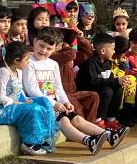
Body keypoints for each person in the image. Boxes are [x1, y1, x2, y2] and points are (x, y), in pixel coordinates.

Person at [24, 27, 126, 155]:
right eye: (41, 46)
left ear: (56, 48)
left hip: (54, 102)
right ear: (34, 42)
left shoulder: (53, 64)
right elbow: (31, 89)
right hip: (39, 102)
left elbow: (58, 87)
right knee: (64, 121)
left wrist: (65, 102)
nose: (44, 50)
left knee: (77, 119)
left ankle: (110, 135)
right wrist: (54, 103)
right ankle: (88, 141)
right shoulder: (29, 62)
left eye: (49, 48)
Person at [0, 41, 58, 156]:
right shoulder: (3, 72)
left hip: (16, 104)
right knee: (33, 109)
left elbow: (19, 90)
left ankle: (45, 138)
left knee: (44, 101)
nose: (29, 62)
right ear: (16, 60)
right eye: (26, 59)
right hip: (1, 109)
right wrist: (18, 103)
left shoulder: (18, 72)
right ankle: (29, 143)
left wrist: (25, 99)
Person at [76, 32, 128, 130]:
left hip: (99, 87)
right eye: (112, 49)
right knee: (107, 91)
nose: (114, 52)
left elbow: (109, 79)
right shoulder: (90, 63)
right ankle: (98, 120)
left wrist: (119, 82)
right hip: (87, 89)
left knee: (118, 89)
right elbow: (93, 81)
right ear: (103, 51)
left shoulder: (107, 62)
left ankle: (111, 119)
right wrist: (116, 81)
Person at [51, 27, 100, 122]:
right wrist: (66, 45)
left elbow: (88, 53)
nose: (59, 44)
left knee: (93, 96)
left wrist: (81, 38)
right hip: (61, 94)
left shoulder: (67, 53)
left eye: (61, 40)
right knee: (75, 104)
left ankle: (90, 125)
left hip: (72, 92)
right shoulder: (52, 56)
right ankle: (82, 128)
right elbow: (71, 55)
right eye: (57, 41)